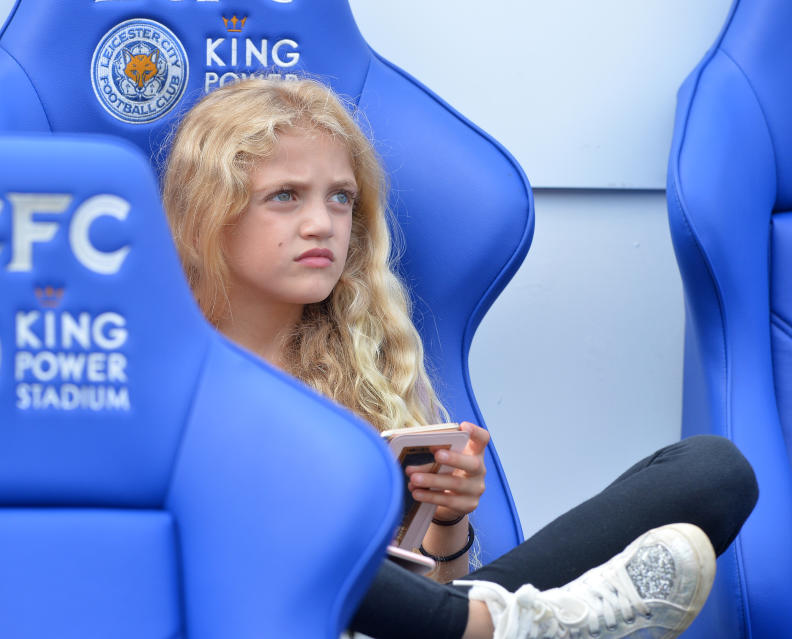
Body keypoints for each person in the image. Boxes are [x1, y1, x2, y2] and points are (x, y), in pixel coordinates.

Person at [160, 77, 758, 639]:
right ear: (209, 212)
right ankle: (512, 626)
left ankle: (512, 623)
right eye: (284, 196)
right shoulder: (147, 373)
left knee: (713, 472)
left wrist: (446, 521)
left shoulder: (365, 363)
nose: (322, 223)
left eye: (340, 198)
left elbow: (428, 594)